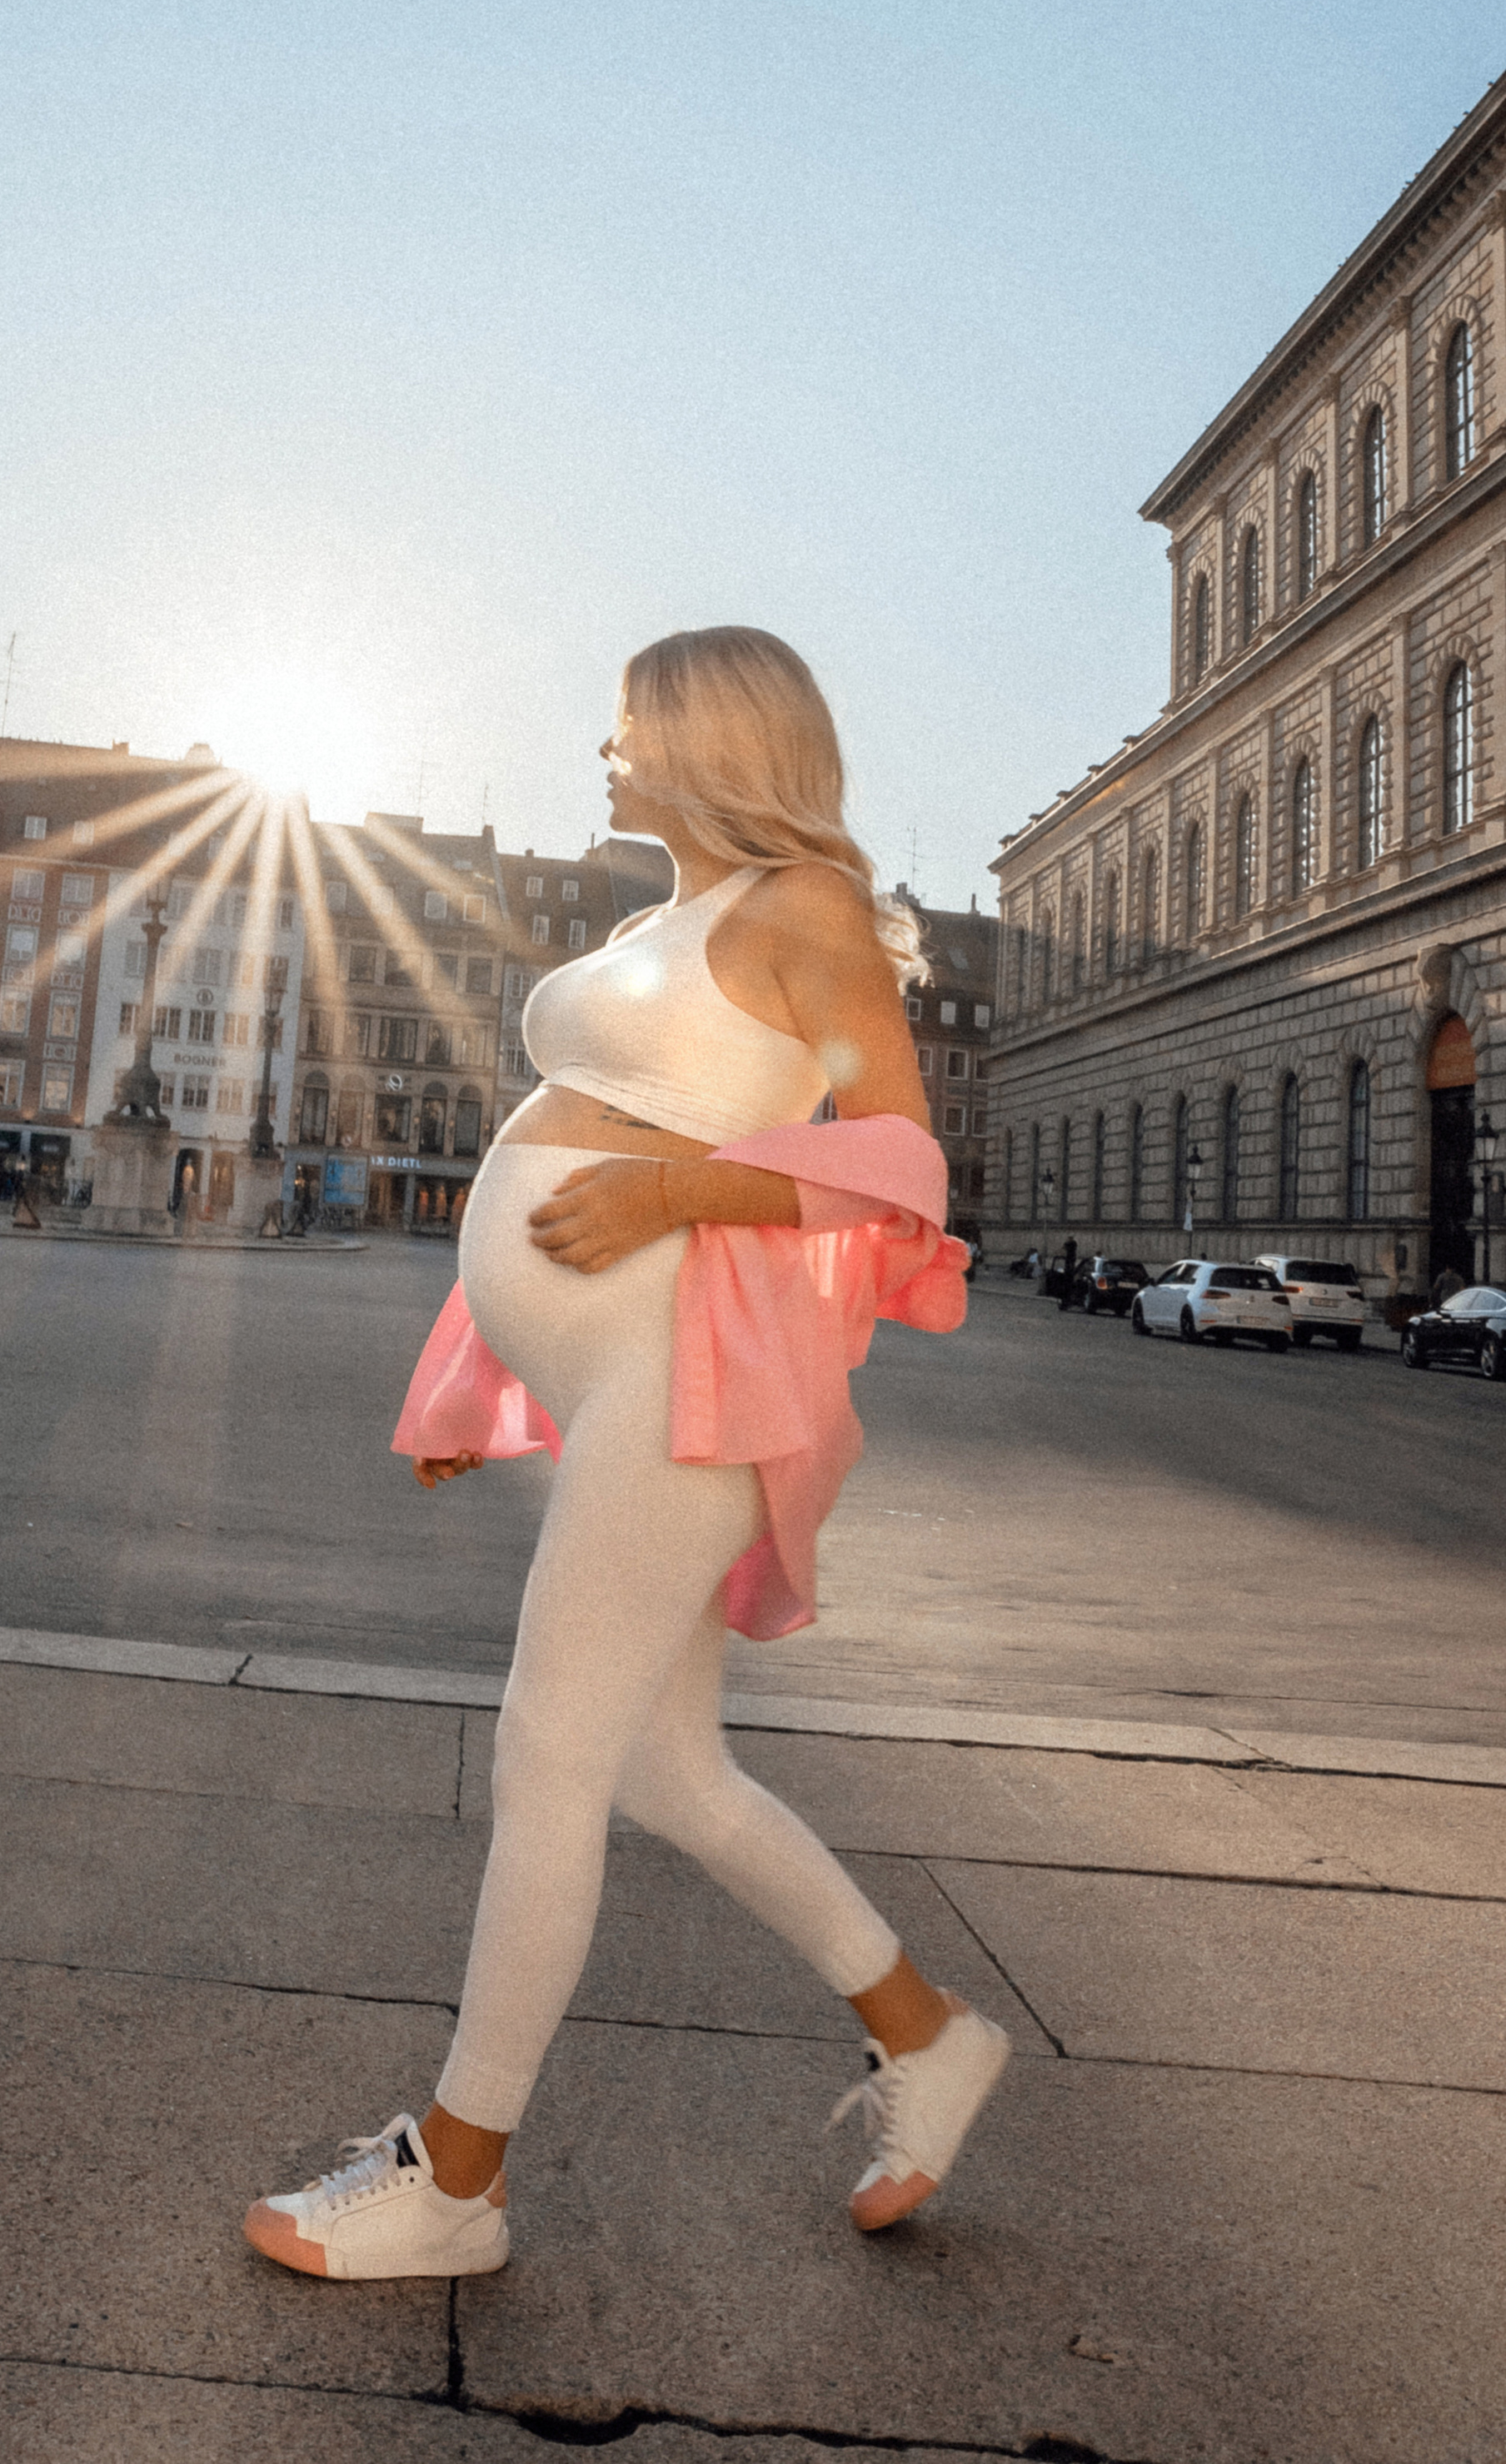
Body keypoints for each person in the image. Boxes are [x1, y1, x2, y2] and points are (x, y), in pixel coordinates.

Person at [243, 628, 1008, 2286]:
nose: (605, 750)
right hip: (615, 1377)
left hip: (687, 1381)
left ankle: (457, 2178)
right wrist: (478, 1379)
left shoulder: (804, 909)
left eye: (630, 726)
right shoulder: (658, 924)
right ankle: (926, 2031)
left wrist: (677, 1189)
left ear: (713, 740)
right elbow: (555, 1180)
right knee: (667, 1773)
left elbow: (901, 1167)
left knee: (547, 1755)